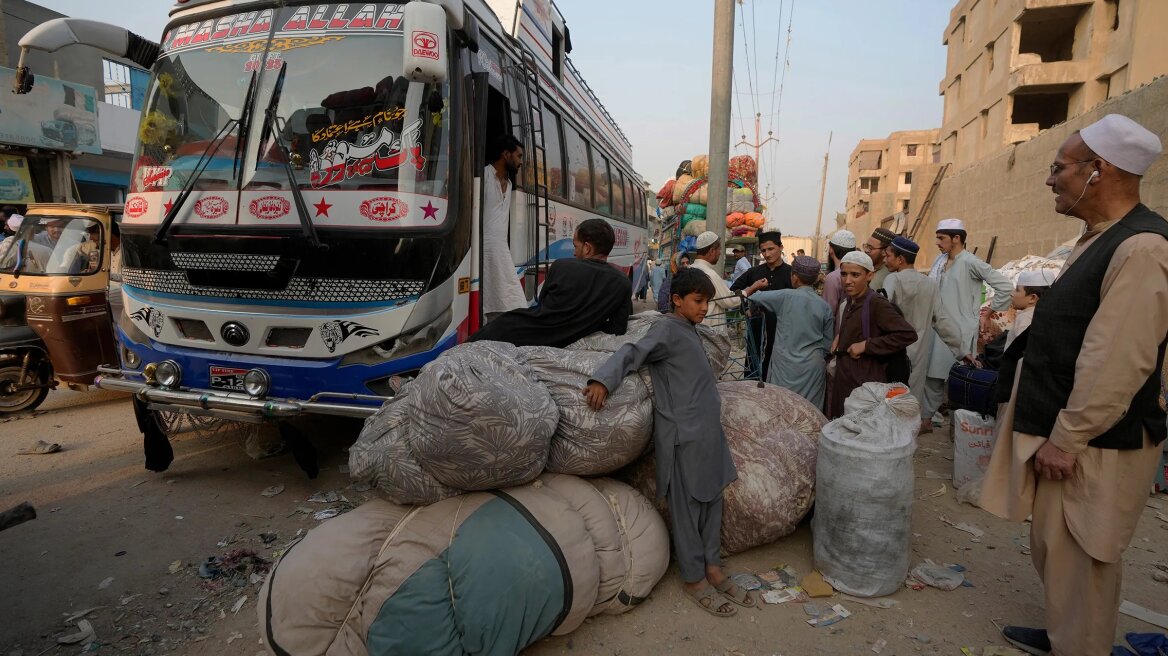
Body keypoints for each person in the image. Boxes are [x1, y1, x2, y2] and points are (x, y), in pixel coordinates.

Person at [980, 114, 1168, 656]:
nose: (1050, 179)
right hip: (1073, 434)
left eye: (1059, 167)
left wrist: (1067, 438)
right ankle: (1069, 634)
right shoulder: (1099, 241)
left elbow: (1119, 361)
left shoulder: (1142, 248)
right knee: (1057, 548)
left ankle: (1081, 644)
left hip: (1096, 442)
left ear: (1098, 171)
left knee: (1085, 553)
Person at [584, 268, 748, 618]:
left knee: (712, 498)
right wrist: (603, 380)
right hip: (682, 435)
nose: (705, 308)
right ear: (677, 300)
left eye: (706, 301)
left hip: (707, 433)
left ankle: (713, 566)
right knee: (688, 507)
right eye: (698, 301)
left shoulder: (691, 330)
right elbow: (632, 352)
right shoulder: (666, 330)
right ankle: (693, 577)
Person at [469, 218, 631, 348]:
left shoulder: (562, 266)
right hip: (553, 340)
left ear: (587, 248)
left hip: (523, 332)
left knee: (489, 331)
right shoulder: (623, 283)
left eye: (576, 246)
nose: (574, 253)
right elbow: (618, 329)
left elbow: (542, 306)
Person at [921, 218, 1013, 424]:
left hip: (961, 330)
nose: (937, 242)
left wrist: (987, 314)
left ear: (956, 238)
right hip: (938, 329)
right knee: (933, 377)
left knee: (960, 379)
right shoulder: (941, 261)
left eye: (941, 238)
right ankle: (927, 419)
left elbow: (1005, 287)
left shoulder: (970, 261)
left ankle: (959, 425)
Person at [882, 236, 968, 432]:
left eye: (888, 256)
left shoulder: (892, 279)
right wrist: (962, 351)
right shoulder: (929, 284)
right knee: (909, 401)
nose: (885, 260)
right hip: (919, 354)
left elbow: (883, 313)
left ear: (900, 259)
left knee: (891, 400)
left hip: (894, 352)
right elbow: (942, 321)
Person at [826, 251, 917, 419]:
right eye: (844, 274)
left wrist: (866, 346)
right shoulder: (851, 301)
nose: (848, 280)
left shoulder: (876, 303)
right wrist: (841, 336)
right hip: (846, 378)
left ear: (869, 276)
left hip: (864, 382)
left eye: (855, 275)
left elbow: (907, 334)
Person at [747, 255, 833, 408]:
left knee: (782, 409)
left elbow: (754, 297)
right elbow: (827, 345)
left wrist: (755, 286)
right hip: (812, 368)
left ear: (794, 277)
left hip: (785, 367)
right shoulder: (824, 306)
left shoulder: (785, 296)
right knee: (809, 413)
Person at [731, 231, 793, 379]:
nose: (767, 254)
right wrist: (744, 308)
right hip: (756, 326)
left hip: (781, 329)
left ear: (781, 247)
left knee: (775, 367)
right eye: (763, 250)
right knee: (753, 363)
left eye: (770, 249)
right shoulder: (753, 273)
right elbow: (734, 291)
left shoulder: (790, 273)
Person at [482, 133, 529, 319]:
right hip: (483, 250)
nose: (521, 162)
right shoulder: (483, 176)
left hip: (501, 250)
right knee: (488, 301)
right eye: (519, 156)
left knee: (512, 299)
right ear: (506, 155)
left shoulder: (509, 185)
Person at [691, 231, 766, 327]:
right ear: (712, 251)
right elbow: (729, 300)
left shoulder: (691, 268)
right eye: (719, 250)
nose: (720, 253)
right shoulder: (709, 274)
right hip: (708, 330)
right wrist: (752, 288)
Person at [1003, 269, 1054, 350]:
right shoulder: (1043, 314)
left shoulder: (1025, 318)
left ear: (1032, 298)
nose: (1012, 294)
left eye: (1017, 290)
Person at [822, 230, 857, 332]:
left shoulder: (833, 277)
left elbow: (827, 314)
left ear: (831, 250)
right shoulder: (860, 273)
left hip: (837, 336)